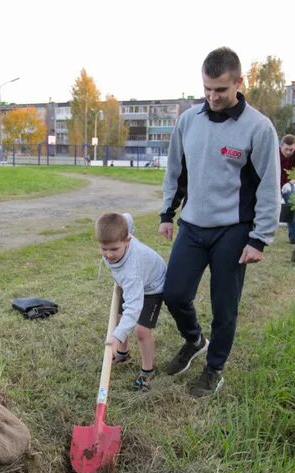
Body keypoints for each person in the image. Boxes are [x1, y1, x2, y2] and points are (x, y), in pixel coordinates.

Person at [158, 47, 280, 397]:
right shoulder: (188, 122)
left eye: (221, 90)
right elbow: (176, 171)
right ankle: (194, 340)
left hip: (234, 229)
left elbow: (269, 187)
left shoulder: (258, 128)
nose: (212, 97)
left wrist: (259, 239)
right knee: (174, 293)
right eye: (207, 89)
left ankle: (214, 368)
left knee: (224, 305)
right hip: (193, 226)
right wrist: (168, 213)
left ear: (239, 83)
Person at [96, 212, 167, 392]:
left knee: (141, 330)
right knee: (120, 318)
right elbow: (126, 217)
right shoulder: (121, 231)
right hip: (128, 283)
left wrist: (116, 336)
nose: (108, 255)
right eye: (104, 249)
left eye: (114, 249)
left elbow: (134, 308)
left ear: (127, 240)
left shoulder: (132, 271)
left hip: (152, 286)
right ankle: (123, 354)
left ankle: (147, 371)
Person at [279, 134, 295, 244]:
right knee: (263, 207)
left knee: (292, 206)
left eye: (291, 149)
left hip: (288, 184)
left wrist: (290, 183)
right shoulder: (274, 152)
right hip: (272, 182)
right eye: (286, 149)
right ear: (281, 146)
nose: (289, 152)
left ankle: (294, 237)